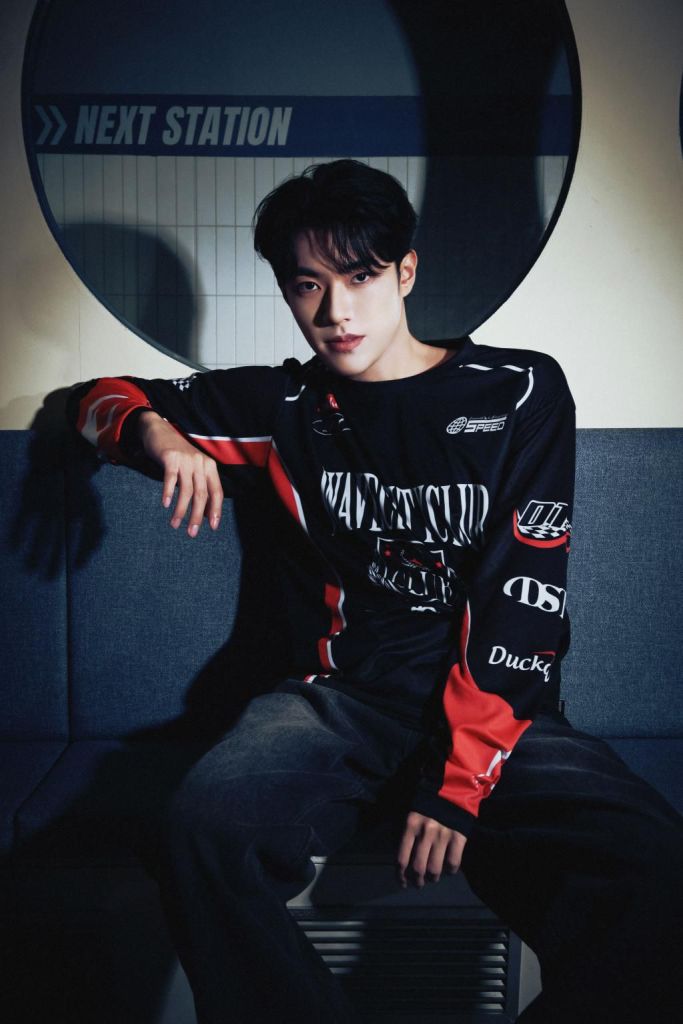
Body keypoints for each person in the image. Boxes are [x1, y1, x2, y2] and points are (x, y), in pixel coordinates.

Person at [68, 159, 682, 1023]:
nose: (334, 310)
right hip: (338, 702)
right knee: (200, 831)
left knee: (655, 866)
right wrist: (159, 435)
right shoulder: (282, 402)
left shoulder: (518, 393)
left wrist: (458, 784)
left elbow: (521, 595)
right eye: (306, 284)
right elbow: (96, 399)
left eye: (358, 276)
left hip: (494, 709)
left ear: (405, 271)